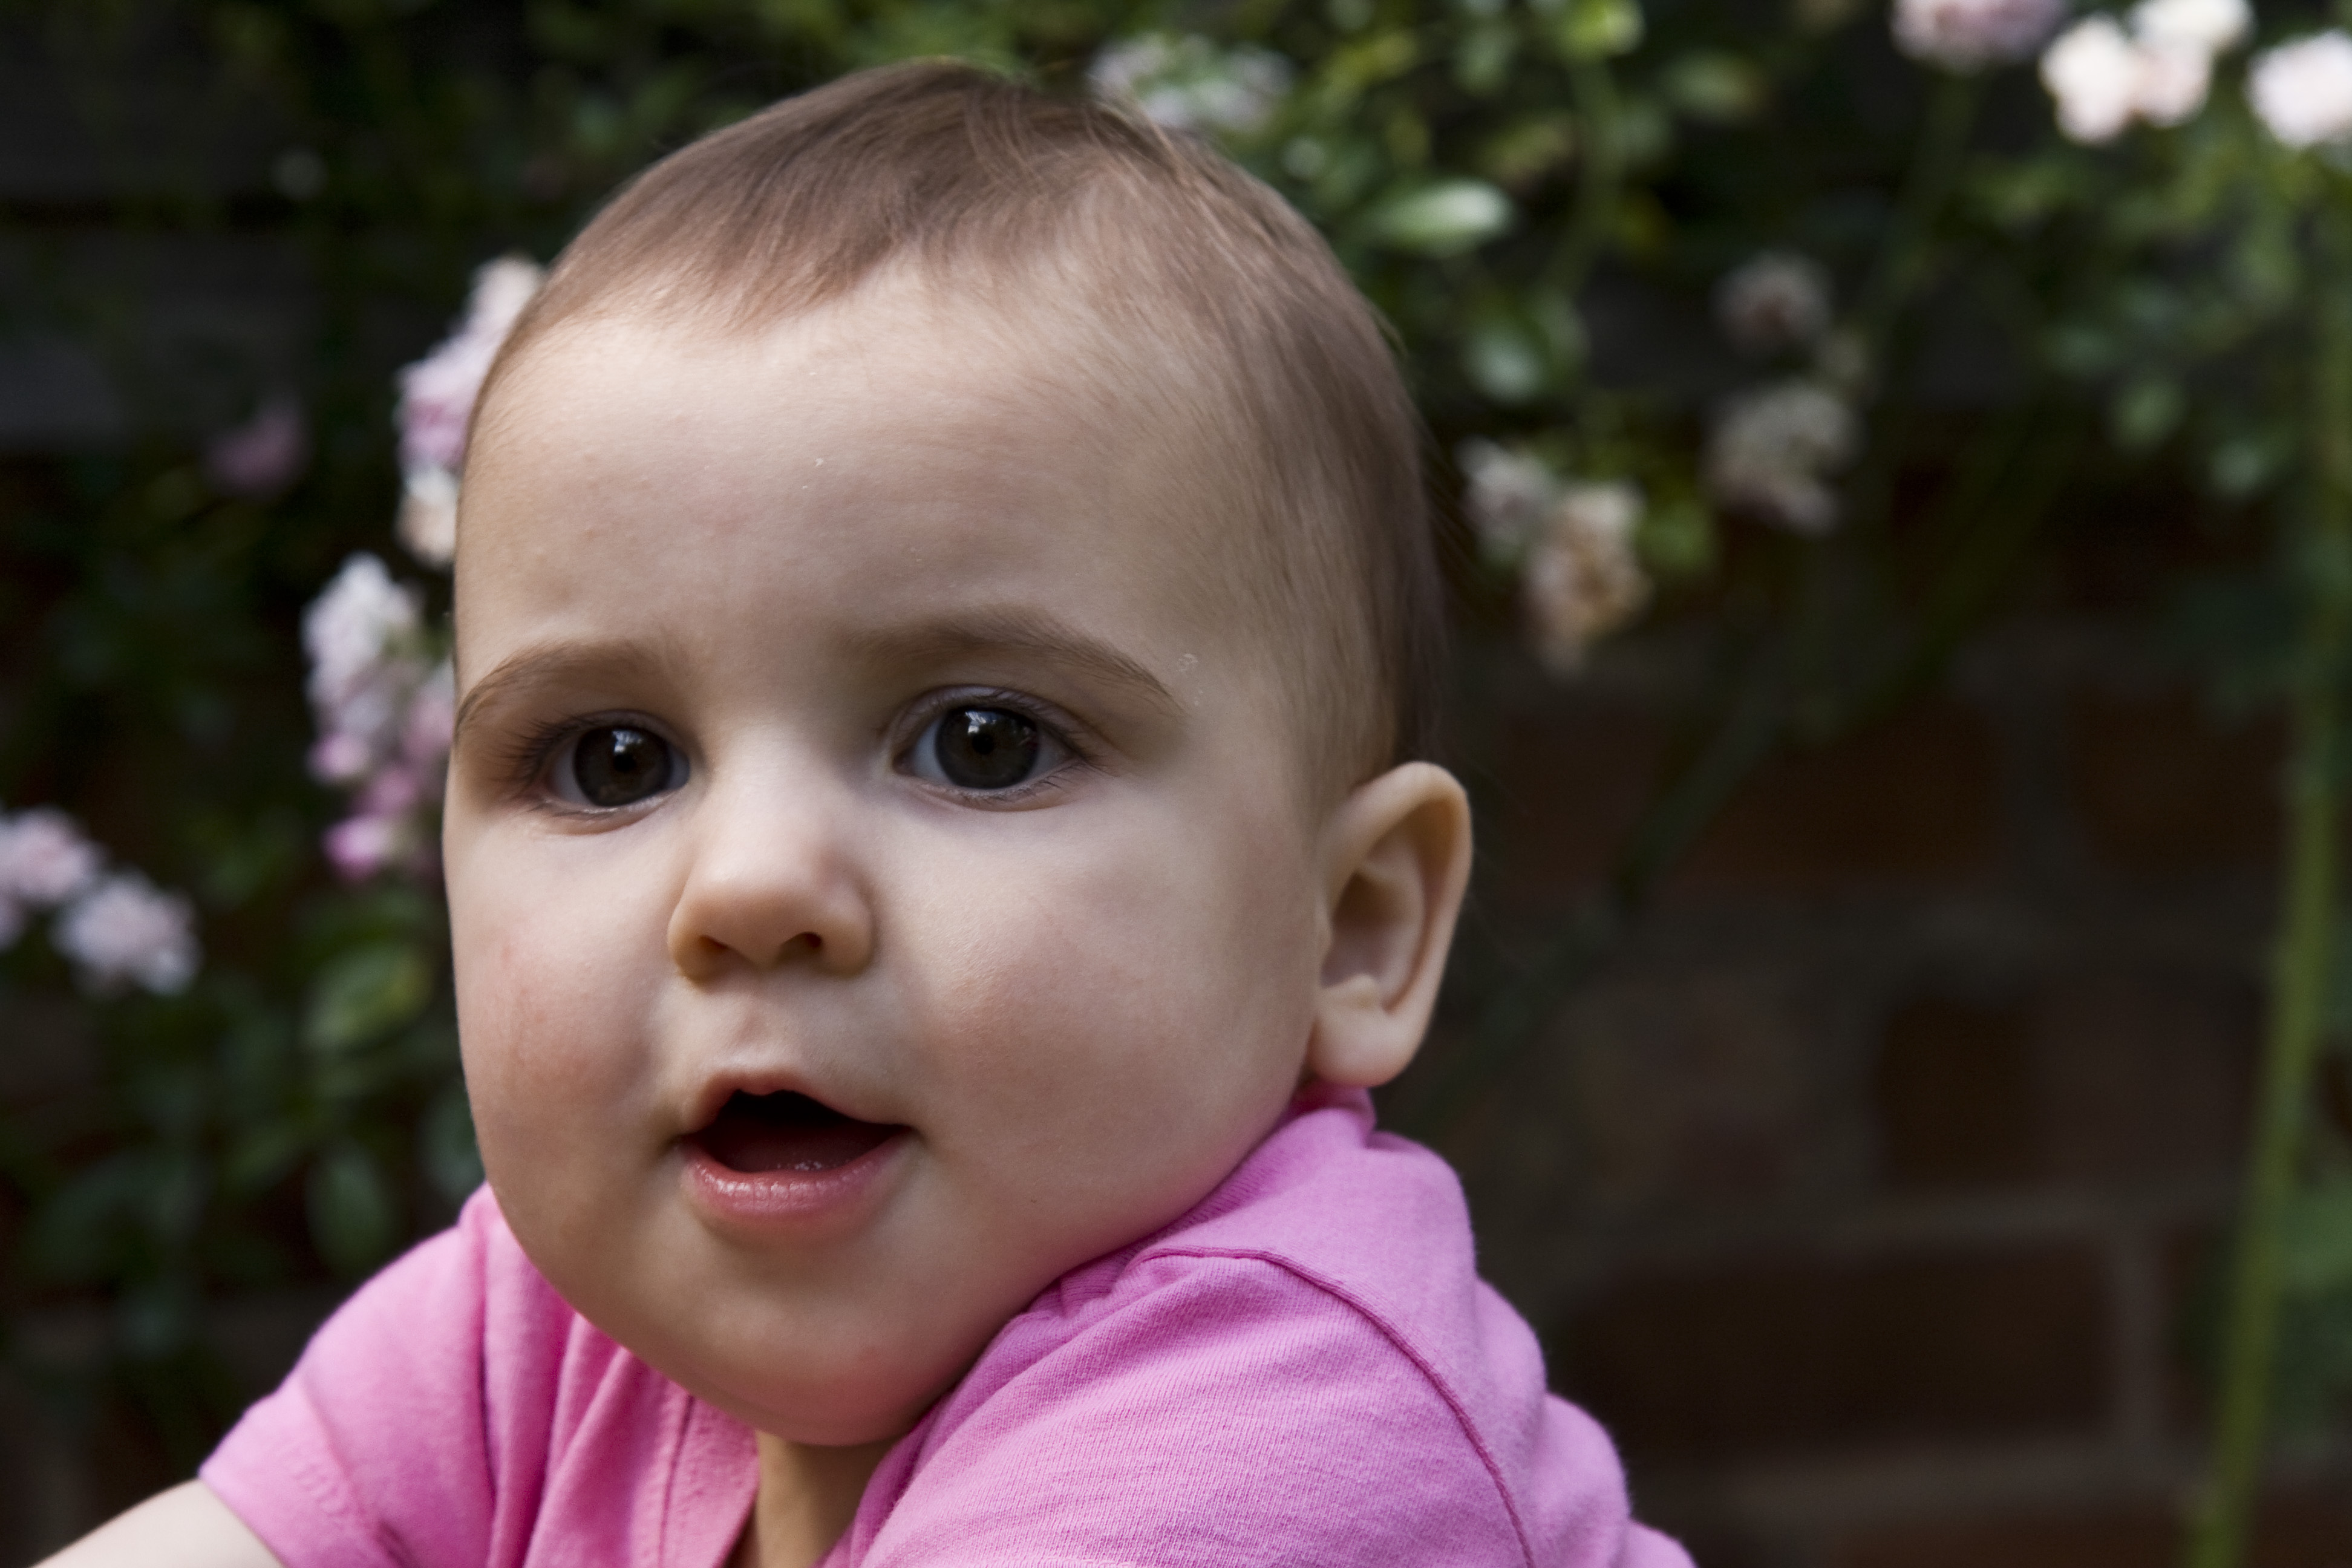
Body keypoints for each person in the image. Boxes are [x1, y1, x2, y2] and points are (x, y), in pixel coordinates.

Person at [42, 60, 1691, 1568]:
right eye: (613, 761)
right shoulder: (549, 1334)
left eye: (981, 744)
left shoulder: (1286, 1431)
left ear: (1352, 929)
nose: (751, 887)